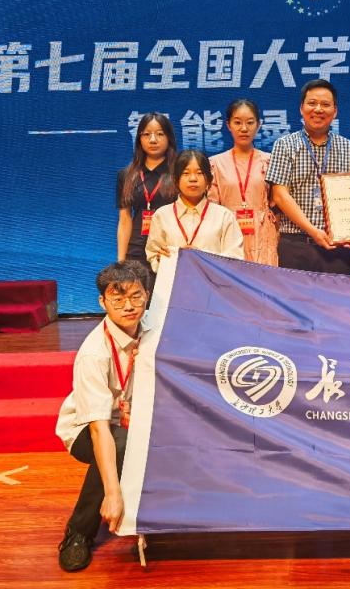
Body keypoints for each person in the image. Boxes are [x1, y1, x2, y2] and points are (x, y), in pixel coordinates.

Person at [55, 261, 152, 572]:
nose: (129, 306)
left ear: (147, 295)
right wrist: (112, 494)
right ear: (102, 302)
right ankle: (79, 532)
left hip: (135, 418)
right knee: (122, 444)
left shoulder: (154, 330)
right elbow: (99, 430)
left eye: (136, 296)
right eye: (118, 299)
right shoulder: (94, 354)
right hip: (87, 428)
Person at [266, 79, 350, 274]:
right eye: (312, 103)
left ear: (335, 111)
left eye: (325, 104)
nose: (318, 109)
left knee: (337, 294)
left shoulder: (348, 147)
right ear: (301, 108)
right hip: (296, 245)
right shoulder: (284, 145)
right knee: (294, 295)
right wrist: (313, 231)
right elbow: (280, 196)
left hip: (337, 248)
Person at [145, 149, 244, 272]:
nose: (193, 179)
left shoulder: (224, 216)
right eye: (186, 173)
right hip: (174, 282)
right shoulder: (162, 215)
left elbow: (235, 259)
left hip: (211, 282)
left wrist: (201, 256)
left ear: (208, 180)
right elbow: (153, 255)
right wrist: (161, 260)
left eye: (199, 173)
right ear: (176, 180)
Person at [208, 99, 279, 265]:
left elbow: (278, 202)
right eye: (238, 122)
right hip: (228, 230)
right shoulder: (216, 164)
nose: (244, 128)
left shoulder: (270, 161)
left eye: (250, 122)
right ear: (228, 125)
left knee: (263, 277)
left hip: (263, 233)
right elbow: (212, 207)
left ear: (259, 125)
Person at [116, 113, 178, 267]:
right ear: (139, 138)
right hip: (135, 252)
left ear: (169, 137)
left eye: (160, 134)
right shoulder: (126, 174)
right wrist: (121, 261)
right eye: (146, 134)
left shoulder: (179, 171)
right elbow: (124, 220)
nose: (153, 140)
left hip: (168, 250)